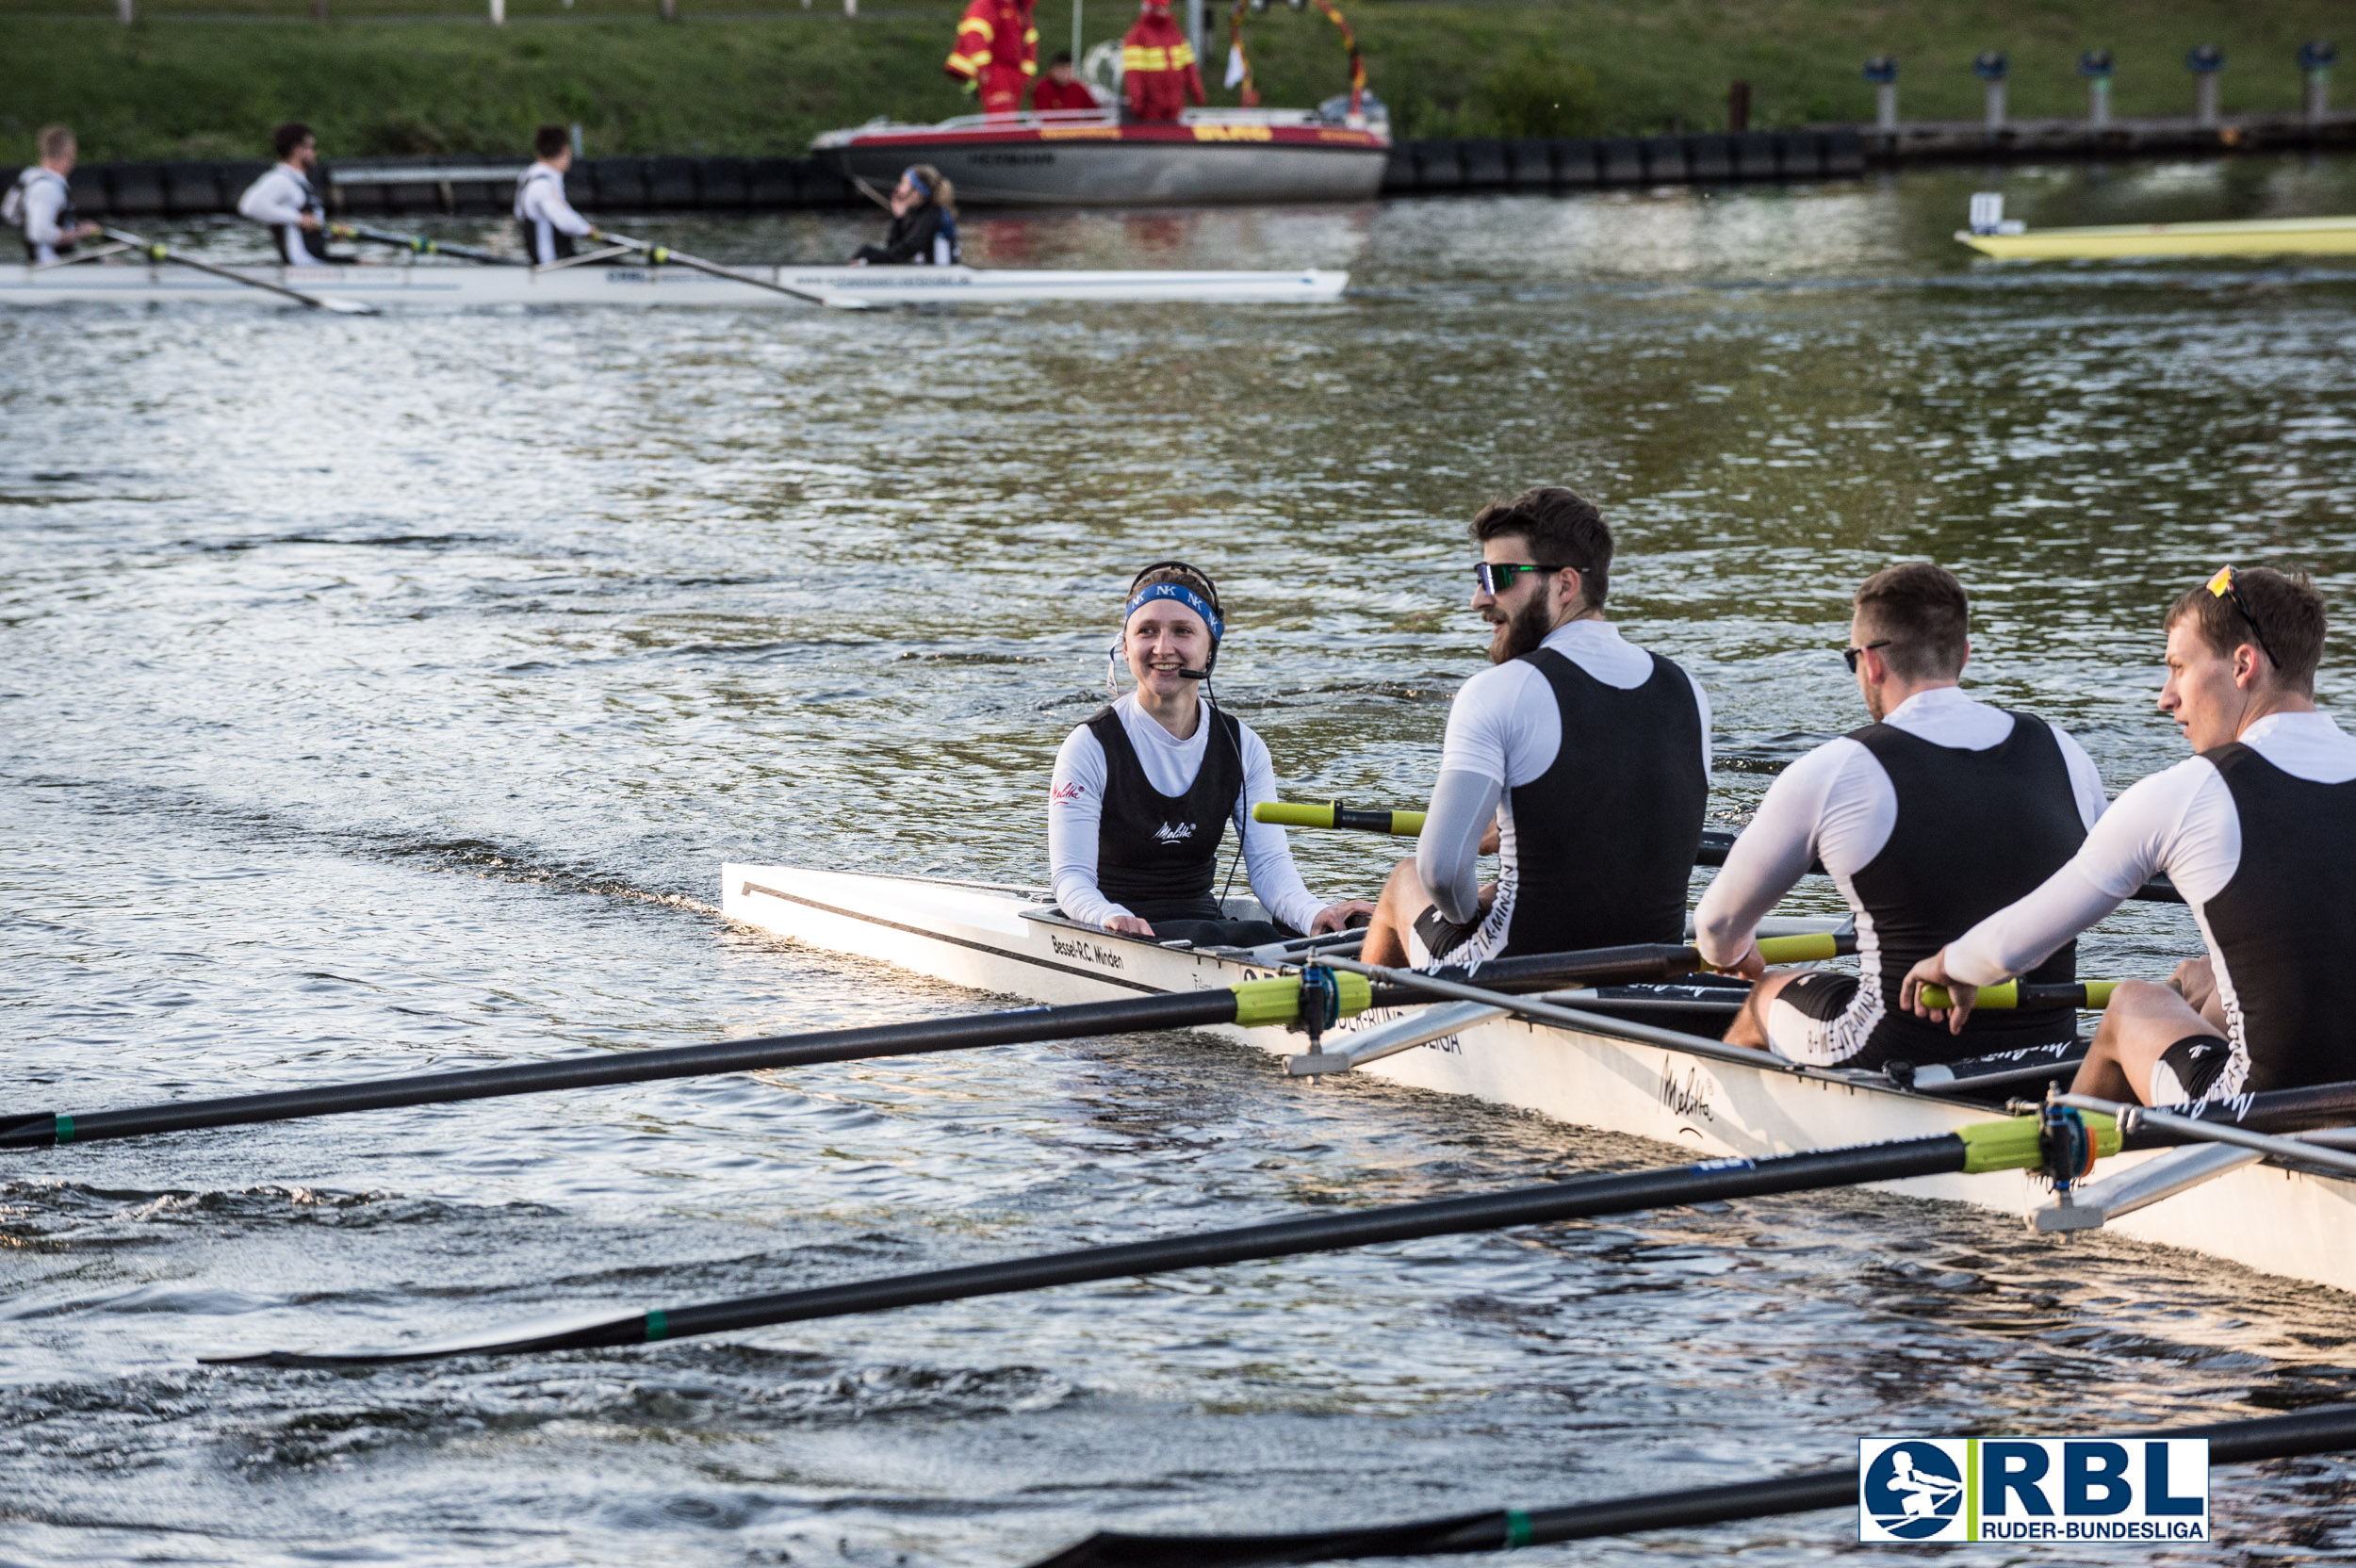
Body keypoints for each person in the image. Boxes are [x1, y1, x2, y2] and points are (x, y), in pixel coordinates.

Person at [1902, 566, 2354, 1105]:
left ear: (2242, 665)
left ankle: (2061, 1167)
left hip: (2261, 1109)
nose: (2166, 698)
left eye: (2178, 668)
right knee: (2206, 976)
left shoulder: (2188, 791)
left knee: (2131, 1005)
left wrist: (1952, 965)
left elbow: (2017, 941)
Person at [1693, 563, 2108, 1070]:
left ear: (1869, 663)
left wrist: (1737, 956)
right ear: (1964, 655)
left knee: (1767, 996)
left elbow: (1715, 925)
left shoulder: (1837, 767)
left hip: (1895, 1046)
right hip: (2045, 1045)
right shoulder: (2066, 754)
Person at [1361, 487, 1711, 970]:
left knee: (1406, 880)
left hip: (1516, 971)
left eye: (1498, 577)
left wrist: (1469, 914)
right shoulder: (1687, 689)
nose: (1478, 599)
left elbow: (1440, 872)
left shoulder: (1499, 689)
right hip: (1650, 964)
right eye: (1479, 576)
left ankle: (1364, 1024)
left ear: (1565, 585)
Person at [1050, 562, 1376, 948]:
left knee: (1258, 934)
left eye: (1183, 632)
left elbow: (1270, 865)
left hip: (1201, 925)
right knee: (1241, 934)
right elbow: (1070, 877)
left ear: (1209, 650)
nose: (1163, 648)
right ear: (1125, 647)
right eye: (1147, 631)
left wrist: (1314, 914)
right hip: (1112, 930)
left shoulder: (1244, 746)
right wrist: (1107, 915)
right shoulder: (1090, 745)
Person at [237, 122, 339, 264]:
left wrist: (331, 233)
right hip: (302, 264)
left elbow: (307, 228)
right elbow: (249, 206)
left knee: (364, 262)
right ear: (297, 150)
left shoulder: (300, 182)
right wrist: (298, 218)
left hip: (315, 259)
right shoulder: (280, 179)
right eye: (311, 147)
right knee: (366, 264)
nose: (315, 153)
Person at [7, 125, 100, 265]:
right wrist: (81, 233)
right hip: (49, 264)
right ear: (68, 152)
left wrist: (75, 229)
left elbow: (10, 215)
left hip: (46, 260)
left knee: (108, 260)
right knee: (113, 264)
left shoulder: (29, 176)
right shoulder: (47, 188)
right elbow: (39, 233)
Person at [515, 125, 599, 267]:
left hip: (543, 261)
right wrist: (587, 230)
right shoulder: (543, 185)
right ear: (564, 150)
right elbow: (563, 220)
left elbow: (518, 214)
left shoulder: (527, 178)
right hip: (552, 264)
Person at [945, 0, 1039, 118]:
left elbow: (1030, 40)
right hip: (996, 70)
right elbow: (975, 33)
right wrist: (983, 67)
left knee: (1010, 118)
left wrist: (1026, 74)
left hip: (1015, 72)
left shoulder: (1020, 6)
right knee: (1000, 119)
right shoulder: (987, 3)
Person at [850, 167, 960, 267]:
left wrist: (868, 260)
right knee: (865, 251)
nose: (898, 189)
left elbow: (908, 249)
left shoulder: (933, 214)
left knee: (866, 254)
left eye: (903, 183)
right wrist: (899, 218)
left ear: (917, 192)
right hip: (925, 272)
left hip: (942, 277)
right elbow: (893, 248)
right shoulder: (916, 214)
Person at [1121, 0, 1206, 122]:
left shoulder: (1175, 34)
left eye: (1164, 6)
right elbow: (1134, 74)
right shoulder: (1137, 36)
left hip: (1175, 105)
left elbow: (1189, 67)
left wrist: (1197, 93)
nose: (1163, 10)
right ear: (1149, 8)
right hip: (1150, 109)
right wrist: (1137, 102)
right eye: (1158, 7)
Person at [1031, 51, 1101, 113]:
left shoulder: (1078, 88)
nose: (1063, 74)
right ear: (1051, 70)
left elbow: (1095, 113)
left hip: (1075, 127)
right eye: (1060, 70)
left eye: (1067, 70)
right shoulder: (1043, 87)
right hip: (1051, 127)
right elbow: (1042, 115)